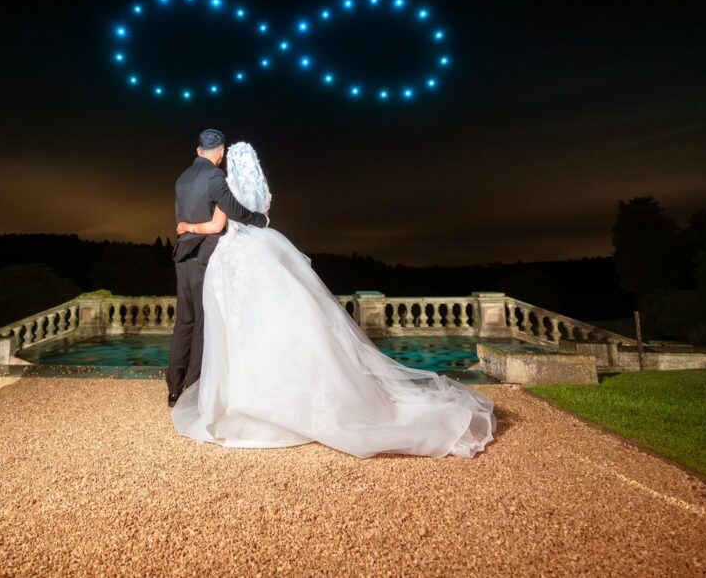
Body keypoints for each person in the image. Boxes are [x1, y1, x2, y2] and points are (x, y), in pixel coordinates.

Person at [170, 141, 495, 458]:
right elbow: (261, 215)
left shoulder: (222, 186)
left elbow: (218, 223)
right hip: (264, 251)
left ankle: (241, 399)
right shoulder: (263, 193)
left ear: (228, 162)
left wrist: (188, 226)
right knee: (280, 320)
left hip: (234, 257)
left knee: (237, 327)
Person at [168, 129, 269, 408]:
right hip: (204, 254)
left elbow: (184, 216)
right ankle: (194, 389)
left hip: (182, 253)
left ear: (198, 150)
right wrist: (259, 219)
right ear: (221, 153)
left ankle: (174, 388)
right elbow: (233, 211)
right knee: (203, 322)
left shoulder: (182, 178)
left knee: (184, 321)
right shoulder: (215, 177)